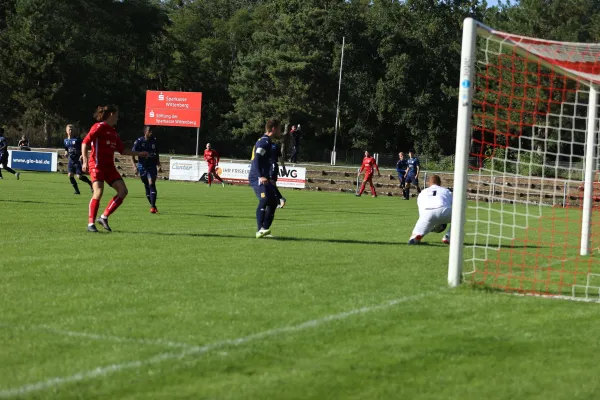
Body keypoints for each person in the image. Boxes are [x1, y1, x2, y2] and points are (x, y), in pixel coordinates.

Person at [82, 105, 148, 233]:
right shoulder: (99, 127)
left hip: (109, 167)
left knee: (123, 191)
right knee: (99, 192)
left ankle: (104, 217)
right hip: (97, 164)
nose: (118, 118)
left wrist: (139, 153)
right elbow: (85, 142)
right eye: (117, 115)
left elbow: (123, 151)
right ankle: (91, 223)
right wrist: (84, 161)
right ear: (111, 114)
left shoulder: (113, 132)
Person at [248, 119, 282, 238]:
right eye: (279, 128)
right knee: (265, 199)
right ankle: (260, 230)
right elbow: (256, 159)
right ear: (273, 129)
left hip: (264, 176)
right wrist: (260, 176)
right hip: (257, 176)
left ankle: (265, 230)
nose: (280, 131)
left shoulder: (268, 142)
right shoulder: (264, 142)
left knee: (273, 202)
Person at [408, 174, 452, 245]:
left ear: (429, 183)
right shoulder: (446, 191)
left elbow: (421, 209)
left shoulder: (423, 192)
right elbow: (454, 205)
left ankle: (416, 237)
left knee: (413, 238)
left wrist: (427, 223)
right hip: (443, 210)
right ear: (440, 183)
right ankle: (448, 236)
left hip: (426, 213)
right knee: (460, 217)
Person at [131, 126, 162, 213]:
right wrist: (134, 166)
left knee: (151, 183)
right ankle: (153, 205)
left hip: (151, 166)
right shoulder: (139, 141)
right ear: (145, 132)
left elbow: (157, 154)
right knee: (146, 186)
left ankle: (152, 207)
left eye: (152, 131)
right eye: (149, 131)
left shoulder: (154, 141)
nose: (151, 132)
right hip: (142, 166)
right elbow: (132, 154)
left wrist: (158, 164)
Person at [64, 124, 93, 194]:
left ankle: (90, 183)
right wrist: (66, 153)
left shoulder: (77, 140)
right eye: (69, 129)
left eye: (72, 130)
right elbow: (66, 149)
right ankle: (77, 191)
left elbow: (83, 147)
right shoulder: (65, 140)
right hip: (71, 160)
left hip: (78, 160)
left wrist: (82, 155)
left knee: (79, 176)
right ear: (66, 131)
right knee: (70, 175)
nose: (70, 131)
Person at [270, 139, 287, 208]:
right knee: (272, 185)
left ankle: (280, 199)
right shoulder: (265, 144)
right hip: (268, 166)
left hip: (273, 165)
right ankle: (278, 202)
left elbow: (280, 157)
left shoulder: (275, 146)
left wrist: (283, 167)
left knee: (271, 183)